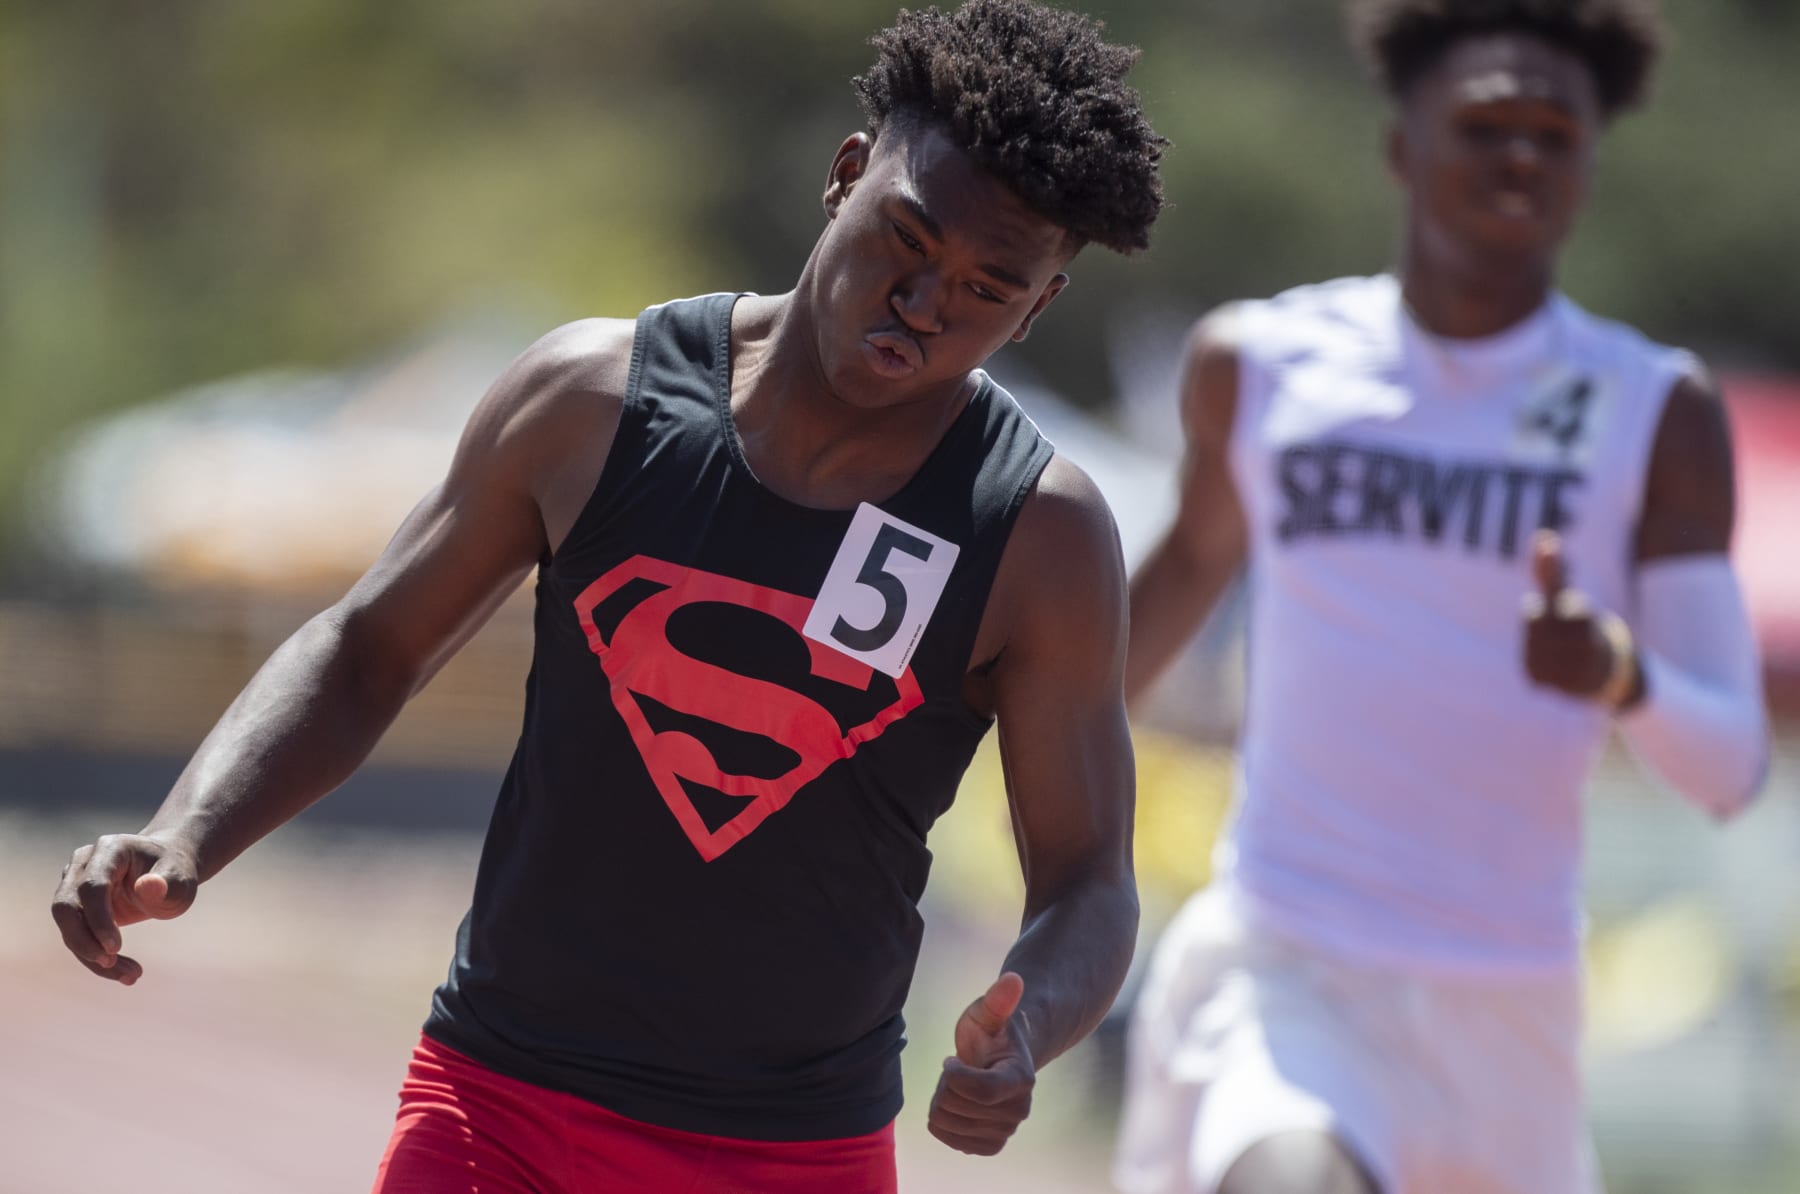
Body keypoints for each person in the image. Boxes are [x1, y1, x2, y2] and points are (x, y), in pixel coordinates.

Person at [49, 2, 1168, 1189]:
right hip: (497, 1109)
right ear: (845, 178)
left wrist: (1029, 1026)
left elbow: (1089, 875)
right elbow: (370, 647)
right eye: (908, 238)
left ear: (1040, 307)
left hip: (792, 1154)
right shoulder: (590, 402)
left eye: (989, 290)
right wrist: (182, 833)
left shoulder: (1036, 534)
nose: (927, 303)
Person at [1112, 2, 1770, 1192]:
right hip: (1288, 955)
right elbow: (1122, 649)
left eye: (1555, 133)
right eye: (1483, 124)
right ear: (1402, 148)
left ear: (1588, 166)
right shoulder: (1258, 366)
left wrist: (1621, 673)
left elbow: (1729, 767)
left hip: (1507, 1008)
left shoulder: (1653, 411)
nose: (1520, 152)